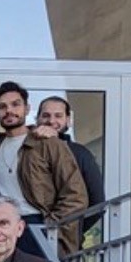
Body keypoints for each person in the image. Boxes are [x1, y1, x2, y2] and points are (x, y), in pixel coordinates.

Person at [0, 82, 87, 258]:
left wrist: (50, 226)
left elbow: (75, 195)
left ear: (27, 109)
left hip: (37, 226)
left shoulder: (47, 143)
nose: (9, 110)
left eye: (15, 104)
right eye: (2, 107)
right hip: (3, 231)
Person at [35, 96, 105, 233]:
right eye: (46, 115)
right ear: (37, 119)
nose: (51, 121)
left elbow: (97, 203)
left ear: (68, 120)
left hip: (66, 241)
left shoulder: (80, 153)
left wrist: (72, 231)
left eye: (58, 116)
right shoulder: (27, 151)